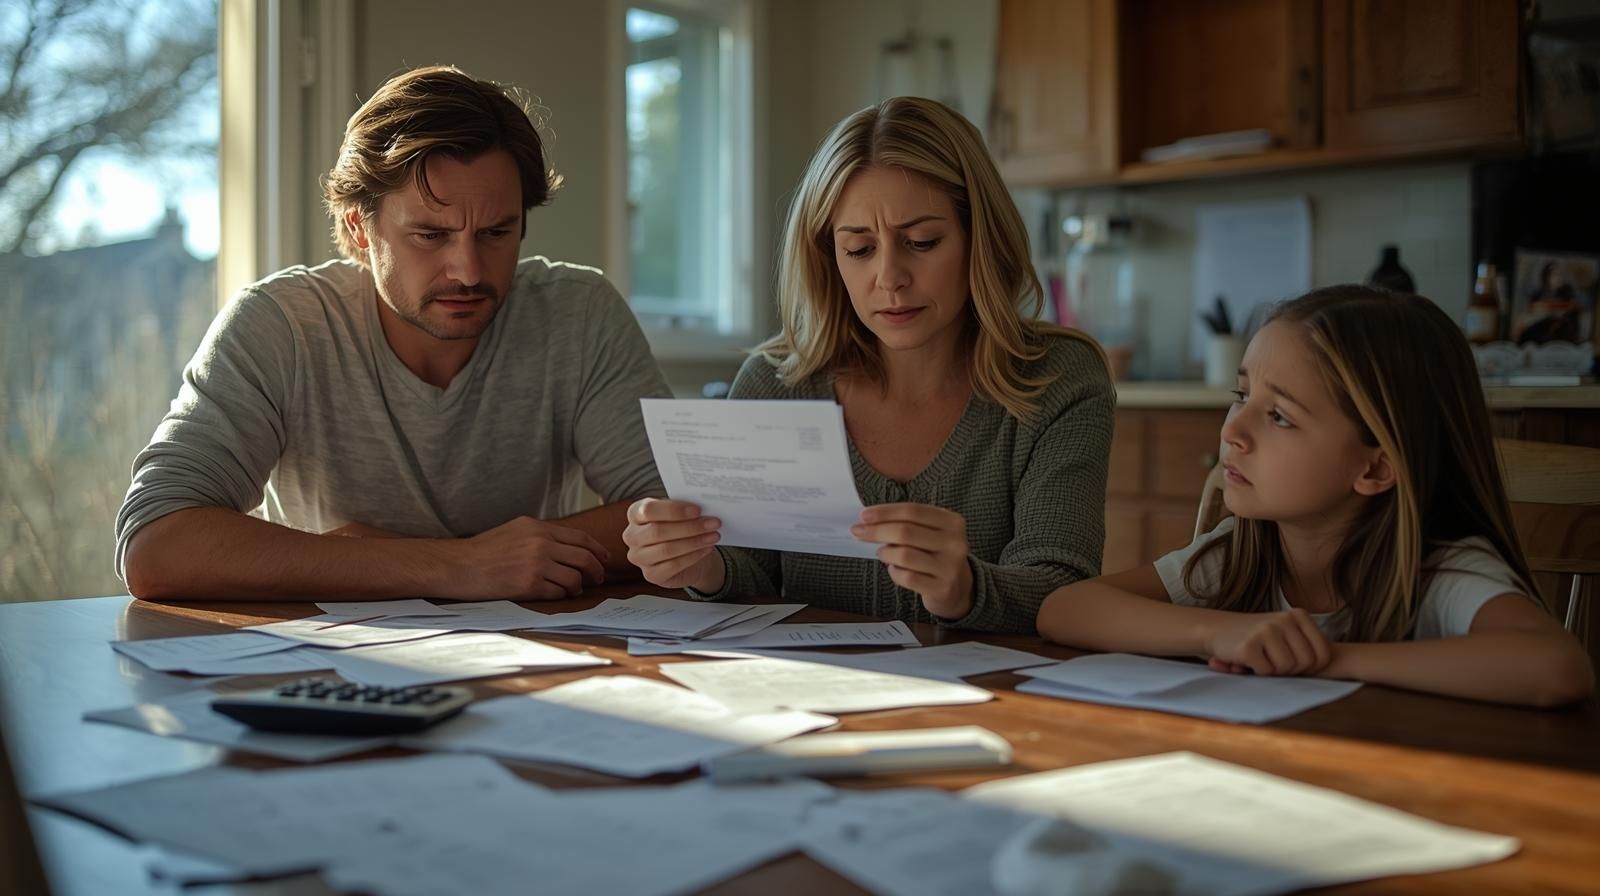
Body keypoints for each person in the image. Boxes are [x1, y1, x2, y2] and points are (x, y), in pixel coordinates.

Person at [115, 65, 671, 602]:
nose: (470, 271)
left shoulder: (579, 313)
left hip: (541, 660)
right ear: (360, 227)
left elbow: (684, 512)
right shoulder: (280, 325)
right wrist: (461, 565)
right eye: (430, 235)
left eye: (497, 232)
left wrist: (382, 559)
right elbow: (156, 543)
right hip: (331, 670)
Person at [622, 97, 1115, 634]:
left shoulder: (1057, 378)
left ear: (980, 237)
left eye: (922, 242)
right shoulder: (775, 384)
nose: (889, 277)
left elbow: (1063, 586)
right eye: (858, 249)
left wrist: (965, 588)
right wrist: (701, 565)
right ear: (827, 257)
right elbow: (752, 577)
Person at [1036, 286, 1594, 707]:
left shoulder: (1439, 572)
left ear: (1375, 467)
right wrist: (1222, 631)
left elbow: (1556, 667)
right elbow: (1066, 610)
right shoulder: (1241, 553)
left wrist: (1328, 660)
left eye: (1279, 416)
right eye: (1242, 394)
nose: (1233, 430)